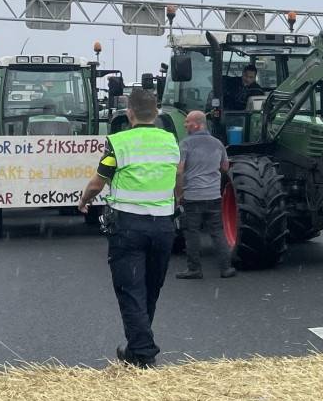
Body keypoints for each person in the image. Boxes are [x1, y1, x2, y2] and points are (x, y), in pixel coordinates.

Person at [77, 88, 179, 369]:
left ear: (129, 113)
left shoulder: (119, 142)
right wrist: (174, 202)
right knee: (150, 288)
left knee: (130, 289)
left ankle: (144, 353)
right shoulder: (170, 140)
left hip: (129, 225)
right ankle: (137, 349)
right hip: (164, 225)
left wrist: (84, 200)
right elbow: (178, 176)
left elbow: (99, 182)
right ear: (157, 112)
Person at [174, 110, 235, 279]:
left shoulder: (185, 144)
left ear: (197, 124)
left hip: (193, 196)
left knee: (191, 232)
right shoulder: (218, 144)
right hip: (214, 196)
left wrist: (179, 193)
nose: (185, 125)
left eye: (187, 122)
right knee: (217, 231)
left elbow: (179, 171)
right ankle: (226, 268)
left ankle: (194, 269)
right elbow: (225, 167)